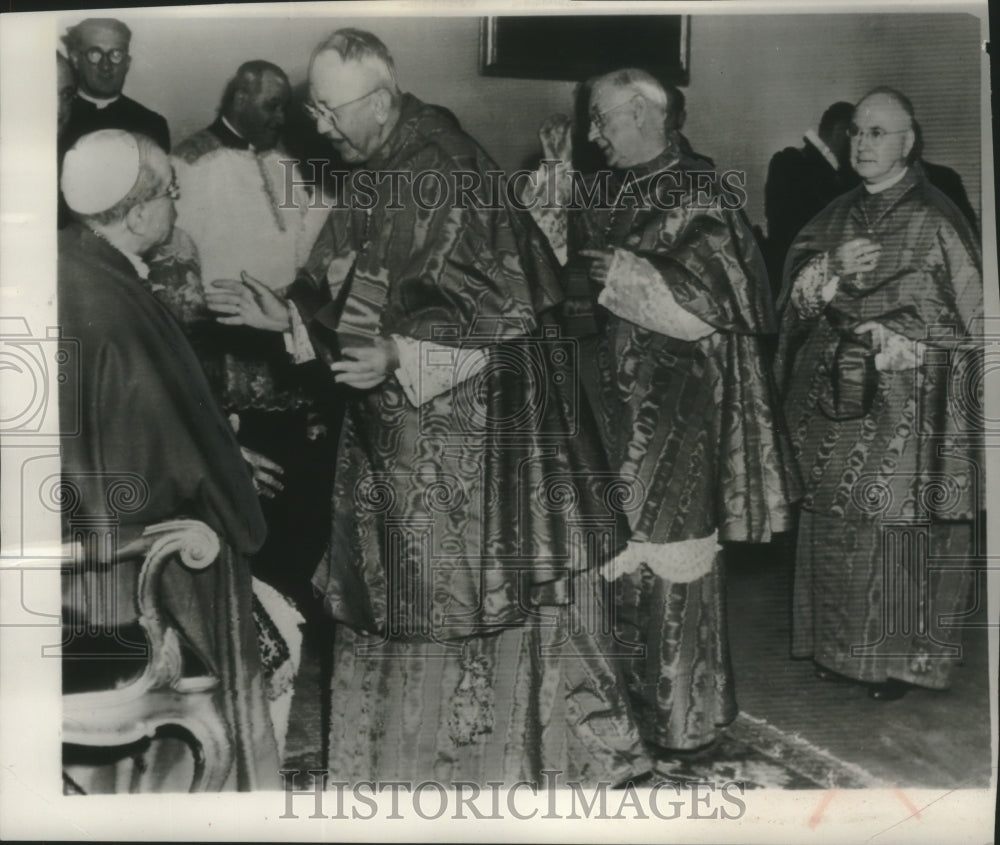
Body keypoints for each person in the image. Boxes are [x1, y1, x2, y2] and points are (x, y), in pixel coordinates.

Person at [206, 28, 650, 785]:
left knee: (451, 595)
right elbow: (354, 292)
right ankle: (397, 758)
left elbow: (504, 326)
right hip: (398, 435)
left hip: (465, 437)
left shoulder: (446, 171)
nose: (318, 123)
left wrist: (402, 355)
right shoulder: (378, 167)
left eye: (331, 107)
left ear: (381, 101)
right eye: (313, 105)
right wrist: (284, 319)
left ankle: (465, 768)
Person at [528, 69, 800, 753]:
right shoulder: (613, 186)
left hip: (673, 413)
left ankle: (679, 718)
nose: (593, 134)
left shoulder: (702, 190)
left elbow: (713, 301)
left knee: (663, 562)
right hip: (599, 402)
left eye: (602, 120)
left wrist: (621, 272)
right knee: (603, 553)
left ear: (646, 115)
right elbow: (557, 266)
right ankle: (609, 713)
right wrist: (556, 194)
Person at [58, 129, 282, 789]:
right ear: (138, 213)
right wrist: (226, 487)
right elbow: (151, 464)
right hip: (107, 576)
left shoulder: (76, 261)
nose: (177, 205)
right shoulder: (109, 299)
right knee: (236, 578)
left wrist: (218, 447)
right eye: (171, 193)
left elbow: (132, 422)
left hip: (67, 536)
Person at [775, 87, 982, 701]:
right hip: (836, 398)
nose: (862, 144)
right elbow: (794, 295)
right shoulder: (834, 214)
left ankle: (896, 663)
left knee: (895, 525)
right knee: (832, 520)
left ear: (907, 143)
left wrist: (904, 341)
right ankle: (834, 649)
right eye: (858, 132)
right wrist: (831, 268)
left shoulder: (935, 215)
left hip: (906, 401)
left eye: (878, 133)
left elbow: (972, 319)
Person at [147, 60, 334, 612]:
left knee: (294, 481)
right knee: (245, 489)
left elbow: (308, 241)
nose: (283, 116)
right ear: (239, 100)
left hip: (283, 337)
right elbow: (175, 264)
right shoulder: (190, 161)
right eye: (273, 105)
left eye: (285, 105)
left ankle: (287, 599)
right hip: (224, 347)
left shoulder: (285, 162)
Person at [764, 101, 860, 294]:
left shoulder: (839, 173)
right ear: (841, 131)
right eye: (857, 135)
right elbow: (789, 231)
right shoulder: (791, 164)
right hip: (800, 282)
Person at [60, 18, 170, 153]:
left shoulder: (152, 124)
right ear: (76, 59)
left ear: (127, 63)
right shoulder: (59, 119)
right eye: (95, 54)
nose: (106, 65)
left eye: (116, 54)